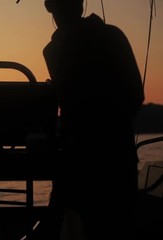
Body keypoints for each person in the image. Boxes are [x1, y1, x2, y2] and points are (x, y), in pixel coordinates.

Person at [40, 0, 144, 239]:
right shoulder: (112, 36)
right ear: (81, 4)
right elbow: (135, 95)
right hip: (116, 157)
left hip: (80, 159)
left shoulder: (53, 50)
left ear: (49, 8)